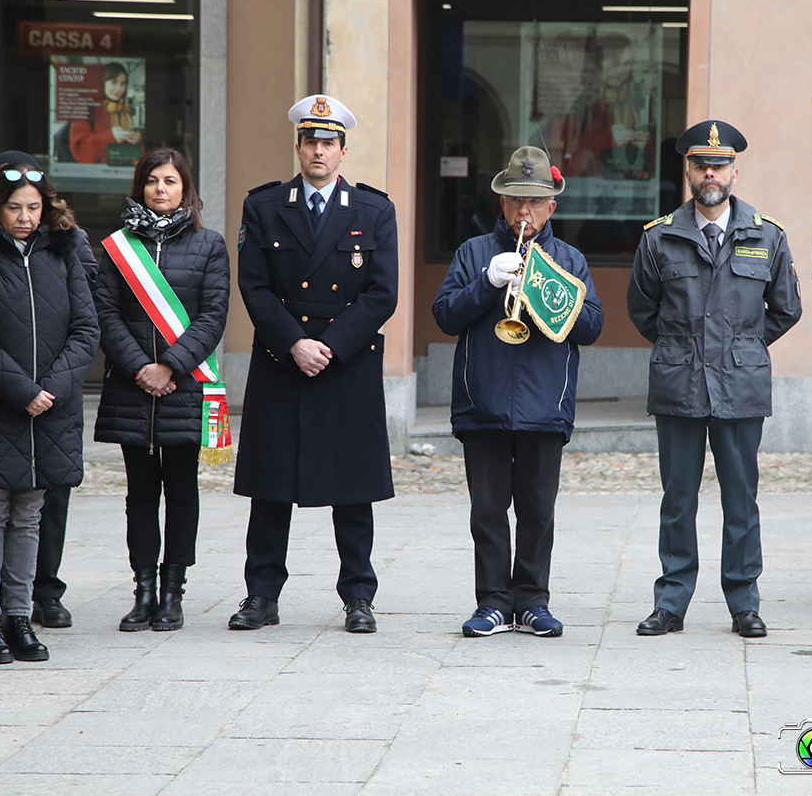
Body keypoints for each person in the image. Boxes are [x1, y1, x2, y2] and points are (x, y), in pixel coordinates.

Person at [627, 120, 803, 638]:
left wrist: (741, 346)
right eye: (702, 164)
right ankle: (672, 601)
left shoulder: (766, 235)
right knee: (678, 499)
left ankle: (744, 602)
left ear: (734, 171)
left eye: (720, 164)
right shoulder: (659, 237)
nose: (711, 172)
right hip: (679, 384)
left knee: (740, 499)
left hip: (740, 387)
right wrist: (687, 347)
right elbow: (642, 310)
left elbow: (785, 308)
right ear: (687, 170)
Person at [230, 94, 398, 633]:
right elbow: (254, 287)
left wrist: (330, 345)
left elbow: (382, 293)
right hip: (284, 361)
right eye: (310, 142)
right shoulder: (263, 206)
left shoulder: (375, 210)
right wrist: (295, 343)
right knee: (271, 485)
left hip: (346, 364)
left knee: (352, 489)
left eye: (329, 143)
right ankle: (261, 595)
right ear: (298, 148)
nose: (318, 151)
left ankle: (358, 597)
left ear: (344, 152)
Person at [433, 146, 604, 637]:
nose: (523, 211)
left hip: (543, 406)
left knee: (536, 511)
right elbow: (445, 315)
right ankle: (492, 601)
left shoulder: (569, 258)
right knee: (487, 511)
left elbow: (591, 326)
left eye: (533, 201)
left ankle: (532, 600)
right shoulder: (472, 253)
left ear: (552, 206)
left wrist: (546, 283)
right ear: (501, 204)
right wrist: (489, 283)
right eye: (514, 201)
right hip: (482, 402)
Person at [0, 163, 99, 662]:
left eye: (34, 207)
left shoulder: (66, 249)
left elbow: (86, 328)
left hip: (52, 406)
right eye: (15, 208)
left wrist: (50, 389)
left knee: (30, 512)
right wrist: (22, 390)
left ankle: (19, 619)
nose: (25, 217)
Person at [94, 148, 231, 632]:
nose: (161, 189)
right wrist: (140, 368)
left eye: (170, 180)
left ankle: (173, 592)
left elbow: (214, 316)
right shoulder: (115, 248)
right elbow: (105, 316)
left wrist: (170, 365)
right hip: (133, 389)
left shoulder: (209, 244)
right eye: (152, 180)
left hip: (185, 386)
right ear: (140, 187)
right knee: (139, 495)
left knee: (182, 490)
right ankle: (143, 591)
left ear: (185, 188)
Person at [70, 62, 143, 165]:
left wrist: (136, 140)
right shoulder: (87, 108)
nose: (119, 89)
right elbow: (81, 151)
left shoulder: (125, 112)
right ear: (102, 83)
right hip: (94, 175)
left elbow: (137, 157)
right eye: (114, 82)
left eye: (123, 84)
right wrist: (111, 137)